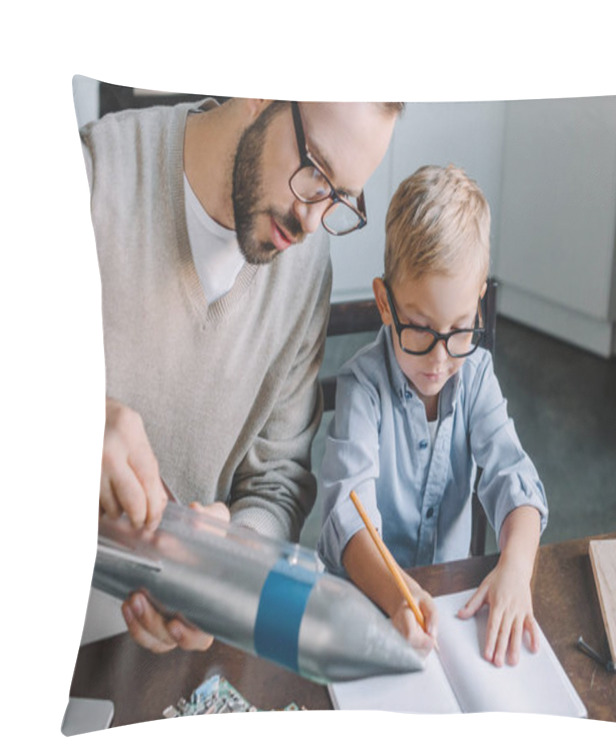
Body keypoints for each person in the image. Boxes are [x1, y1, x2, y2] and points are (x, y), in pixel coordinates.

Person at [81, 94, 402, 653]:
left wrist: (232, 572)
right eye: (316, 172)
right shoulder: (93, 177)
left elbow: (277, 484)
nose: (311, 219)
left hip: (182, 658)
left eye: (341, 198)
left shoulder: (305, 270)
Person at [317, 164, 549, 667]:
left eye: (461, 329)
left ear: (479, 309)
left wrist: (514, 569)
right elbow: (347, 517)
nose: (440, 360)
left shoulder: (477, 377)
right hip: (367, 606)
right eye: (420, 329)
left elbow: (515, 478)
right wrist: (398, 595)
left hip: (449, 610)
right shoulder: (363, 388)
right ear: (385, 303)